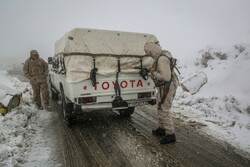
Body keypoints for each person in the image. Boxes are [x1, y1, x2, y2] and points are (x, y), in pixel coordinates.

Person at [144, 42, 179, 144]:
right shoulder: (163, 54)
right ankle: (162, 128)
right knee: (160, 106)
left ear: (152, 51)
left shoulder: (161, 59)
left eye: (149, 53)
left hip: (167, 87)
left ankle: (170, 134)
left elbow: (165, 77)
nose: (150, 55)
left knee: (164, 109)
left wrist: (152, 73)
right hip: (165, 86)